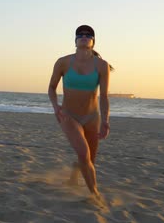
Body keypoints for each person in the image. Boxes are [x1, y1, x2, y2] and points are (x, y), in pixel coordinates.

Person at [48, 25, 112, 200]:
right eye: (80, 35)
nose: (84, 36)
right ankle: (95, 195)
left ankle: (73, 179)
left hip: (92, 117)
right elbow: (51, 88)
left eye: (88, 34)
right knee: (84, 154)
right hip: (69, 116)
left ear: (93, 41)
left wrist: (105, 121)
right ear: (75, 41)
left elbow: (104, 97)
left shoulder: (102, 65)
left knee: (89, 160)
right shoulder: (63, 62)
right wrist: (56, 107)